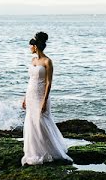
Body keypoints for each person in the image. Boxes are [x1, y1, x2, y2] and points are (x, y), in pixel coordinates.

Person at [21, 31, 73, 165]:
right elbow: (30, 80)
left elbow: (49, 83)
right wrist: (25, 98)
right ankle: (35, 151)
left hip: (41, 96)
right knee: (31, 122)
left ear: (35, 46)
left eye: (31, 46)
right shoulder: (33, 60)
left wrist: (44, 101)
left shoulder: (47, 61)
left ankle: (52, 150)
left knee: (41, 121)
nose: (29, 48)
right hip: (31, 94)